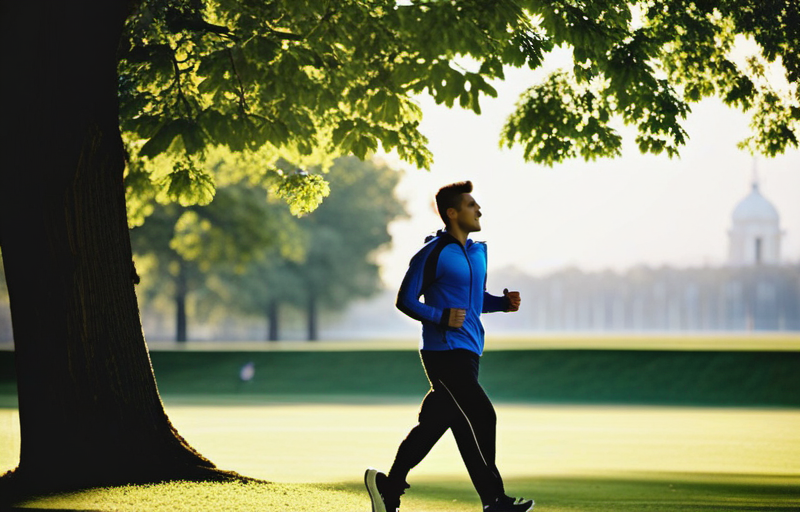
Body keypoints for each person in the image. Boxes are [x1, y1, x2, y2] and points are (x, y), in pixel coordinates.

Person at [365, 181, 532, 512]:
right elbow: (406, 300)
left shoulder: (477, 251)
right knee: (482, 415)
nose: (479, 210)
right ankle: (495, 501)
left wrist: (501, 303)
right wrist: (440, 316)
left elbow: (472, 301)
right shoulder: (433, 253)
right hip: (443, 353)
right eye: (471, 205)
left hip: (470, 350)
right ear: (452, 213)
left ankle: (388, 486)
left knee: (439, 424)